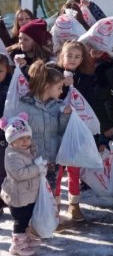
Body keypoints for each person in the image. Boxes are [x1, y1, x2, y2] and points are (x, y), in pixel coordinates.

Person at [53, 41, 96, 222]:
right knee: (57, 170)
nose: (72, 59)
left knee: (74, 169)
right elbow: (48, 96)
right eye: (69, 55)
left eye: (77, 57)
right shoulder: (52, 73)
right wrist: (63, 84)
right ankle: (55, 206)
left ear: (82, 59)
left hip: (76, 130)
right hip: (55, 129)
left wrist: (74, 84)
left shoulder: (85, 78)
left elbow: (87, 103)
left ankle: (74, 204)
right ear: (62, 55)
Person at [18, 61, 71, 199]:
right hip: (32, 162)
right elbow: (20, 132)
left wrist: (65, 116)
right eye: (59, 88)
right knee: (32, 196)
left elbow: (61, 131)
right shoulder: (25, 104)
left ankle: (50, 219)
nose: (61, 91)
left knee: (49, 197)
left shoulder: (58, 106)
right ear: (47, 87)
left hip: (51, 161)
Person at [0, 114, 44, 256]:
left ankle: (25, 237)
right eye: (20, 138)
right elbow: (19, 174)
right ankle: (17, 245)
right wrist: (37, 169)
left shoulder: (27, 150)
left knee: (27, 218)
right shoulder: (12, 155)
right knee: (20, 220)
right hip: (17, 196)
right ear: (11, 141)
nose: (25, 141)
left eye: (27, 137)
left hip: (28, 194)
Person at [0, 54, 13, 217]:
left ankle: (3, 199)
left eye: (0, 71)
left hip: (5, 136)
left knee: (4, 170)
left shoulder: (10, 88)